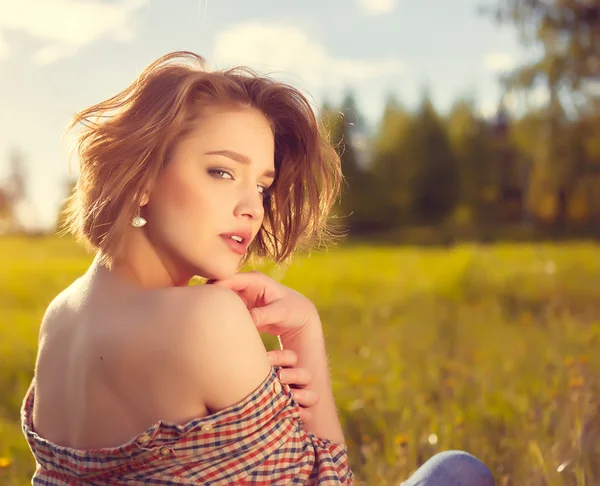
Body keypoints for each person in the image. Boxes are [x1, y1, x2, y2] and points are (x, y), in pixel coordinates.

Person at [20, 51, 494, 485]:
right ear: (142, 176)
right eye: (222, 172)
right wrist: (306, 333)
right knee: (458, 471)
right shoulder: (207, 316)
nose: (253, 207)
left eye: (263, 186)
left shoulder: (60, 318)